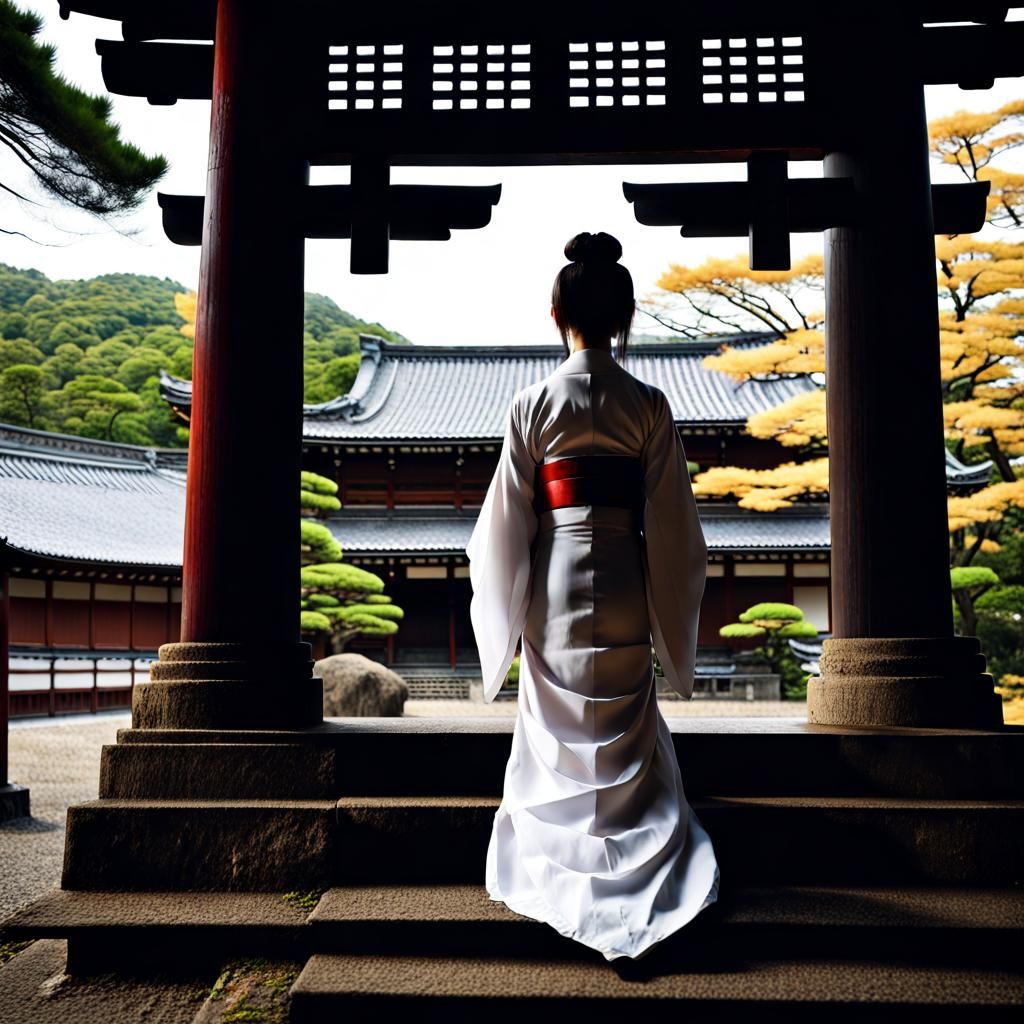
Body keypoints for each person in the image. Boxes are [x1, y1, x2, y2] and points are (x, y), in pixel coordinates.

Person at [465, 230, 720, 963]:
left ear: (557, 314)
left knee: (556, 709)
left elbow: (505, 528)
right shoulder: (649, 402)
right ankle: (636, 828)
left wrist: (507, 612)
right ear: (625, 315)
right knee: (625, 698)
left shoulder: (532, 402)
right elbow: (674, 525)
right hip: (626, 568)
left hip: (557, 572)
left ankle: (560, 835)